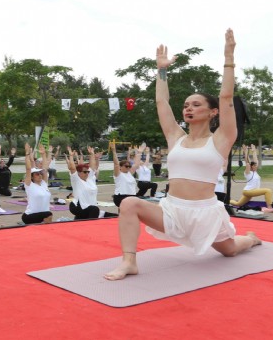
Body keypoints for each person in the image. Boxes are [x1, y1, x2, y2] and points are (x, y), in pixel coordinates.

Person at [104, 29, 261, 281]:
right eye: (186, 105)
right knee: (129, 203)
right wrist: (162, 70)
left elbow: (226, 97)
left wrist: (228, 57)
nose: (189, 108)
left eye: (196, 104)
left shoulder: (221, 139)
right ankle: (129, 262)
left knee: (230, 250)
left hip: (206, 214)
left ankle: (251, 239)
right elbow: (161, 104)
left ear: (213, 112)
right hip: (172, 211)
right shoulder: (176, 137)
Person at [66, 146, 117, 220]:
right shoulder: (76, 179)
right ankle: (91, 228)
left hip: (89, 206)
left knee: (114, 215)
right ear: (78, 173)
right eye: (85, 172)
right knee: (94, 210)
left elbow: (93, 166)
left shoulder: (90, 179)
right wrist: (71, 156)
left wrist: (92, 154)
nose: (87, 173)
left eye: (88, 171)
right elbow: (72, 168)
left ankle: (78, 220)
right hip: (77, 206)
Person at [230, 144, 273, 213]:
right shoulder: (248, 173)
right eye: (255, 165)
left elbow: (255, 160)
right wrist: (245, 151)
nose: (256, 166)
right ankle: (269, 208)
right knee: (268, 191)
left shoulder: (255, 172)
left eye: (256, 165)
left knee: (238, 204)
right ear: (251, 166)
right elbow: (247, 162)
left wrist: (254, 151)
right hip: (248, 191)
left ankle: (226, 201)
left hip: (250, 192)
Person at [21, 143, 53, 224]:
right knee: (48, 214)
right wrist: (27, 153)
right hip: (30, 215)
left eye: (40, 173)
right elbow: (28, 169)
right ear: (32, 177)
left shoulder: (43, 183)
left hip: (43, 214)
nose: (39, 175)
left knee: (48, 215)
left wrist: (43, 154)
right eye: (37, 174)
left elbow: (45, 168)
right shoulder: (29, 185)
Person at [110, 142, 142, 207]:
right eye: (126, 166)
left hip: (132, 196)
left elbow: (136, 164)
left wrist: (139, 153)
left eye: (129, 166)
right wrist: (114, 151)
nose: (128, 167)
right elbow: (116, 164)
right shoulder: (118, 174)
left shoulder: (129, 173)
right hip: (121, 196)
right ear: (120, 167)